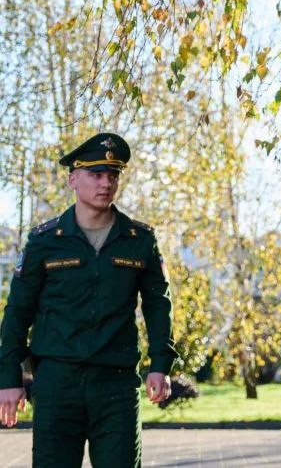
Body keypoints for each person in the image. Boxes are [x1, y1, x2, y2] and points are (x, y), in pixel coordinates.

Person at [0, 132, 175, 468]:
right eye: (96, 174)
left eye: (113, 175)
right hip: (56, 382)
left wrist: (160, 365)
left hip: (115, 384)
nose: (106, 183)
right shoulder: (45, 241)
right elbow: (18, 311)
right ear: (73, 180)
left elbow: (158, 305)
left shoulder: (139, 240)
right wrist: (9, 378)